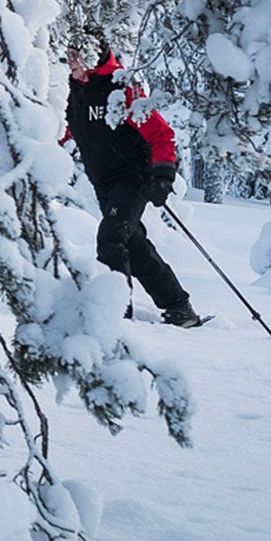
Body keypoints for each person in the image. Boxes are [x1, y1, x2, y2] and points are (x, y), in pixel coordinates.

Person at [63, 41, 203, 328]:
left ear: (92, 57)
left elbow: (161, 134)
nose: (71, 65)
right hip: (103, 183)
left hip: (133, 177)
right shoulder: (75, 92)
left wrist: (163, 174)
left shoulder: (121, 88)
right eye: (68, 58)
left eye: (76, 58)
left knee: (111, 239)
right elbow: (63, 131)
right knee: (133, 247)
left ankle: (116, 318)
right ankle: (179, 307)